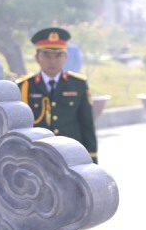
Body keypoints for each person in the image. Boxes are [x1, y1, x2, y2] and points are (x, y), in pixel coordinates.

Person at [17, 27, 98, 163]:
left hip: (72, 156)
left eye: (58, 55)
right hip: (37, 157)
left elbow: (87, 125)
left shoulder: (78, 85)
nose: (52, 61)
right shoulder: (25, 87)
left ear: (65, 57)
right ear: (37, 57)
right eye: (47, 55)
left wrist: (92, 159)